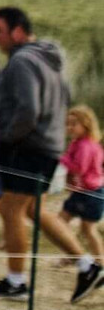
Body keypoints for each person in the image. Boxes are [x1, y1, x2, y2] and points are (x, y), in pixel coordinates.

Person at [0, 6, 94, 303]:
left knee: (10, 210)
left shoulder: (22, 61)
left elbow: (28, 109)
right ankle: (88, 266)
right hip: (48, 147)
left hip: (28, 148)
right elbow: (63, 99)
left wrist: (6, 137)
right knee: (31, 210)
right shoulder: (49, 61)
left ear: (18, 31)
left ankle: (16, 283)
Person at [59, 106, 103, 282]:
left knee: (89, 229)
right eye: (67, 124)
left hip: (92, 193)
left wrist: (60, 158)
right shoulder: (77, 143)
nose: (69, 128)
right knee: (61, 222)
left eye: (74, 124)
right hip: (81, 192)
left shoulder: (87, 145)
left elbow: (79, 168)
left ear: (86, 125)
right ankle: (73, 254)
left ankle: (100, 262)